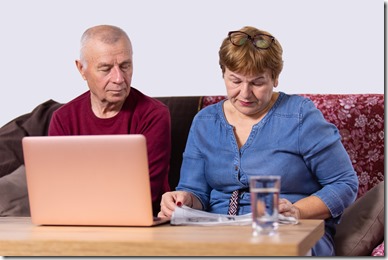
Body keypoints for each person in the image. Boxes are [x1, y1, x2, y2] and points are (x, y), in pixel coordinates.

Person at [158, 26, 358, 256]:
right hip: (218, 231)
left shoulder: (300, 116)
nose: (244, 93)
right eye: (235, 81)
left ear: (275, 77)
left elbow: (344, 183)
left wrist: (296, 211)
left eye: (257, 82)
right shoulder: (205, 121)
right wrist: (183, 199)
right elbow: (196, 192)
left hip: (289, 231)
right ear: (223, 73)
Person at [48, 25, 171, 216]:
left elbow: (148, 193)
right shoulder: (63, 118)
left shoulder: (154, 115)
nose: (119, 78)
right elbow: (57, 190)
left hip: (139, 222)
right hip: (76, 220)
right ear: (82, 69)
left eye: (125, 66)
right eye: (105, 69)